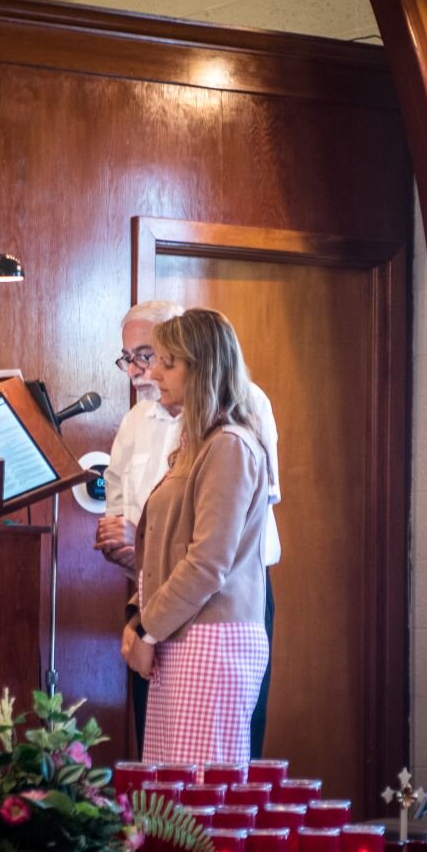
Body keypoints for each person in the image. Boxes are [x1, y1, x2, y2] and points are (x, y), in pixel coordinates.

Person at [95, 301, 281, 756]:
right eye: (147, 360)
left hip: (209, 629)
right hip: (171, 618)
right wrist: (141, 615)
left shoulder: (230, 443)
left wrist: (146, 630)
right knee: (165, 796)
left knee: (197, 804)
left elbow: (207, 560)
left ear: (200, 369)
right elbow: (161, 536)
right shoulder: (192, 441)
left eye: (164, 362)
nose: (151, 374)